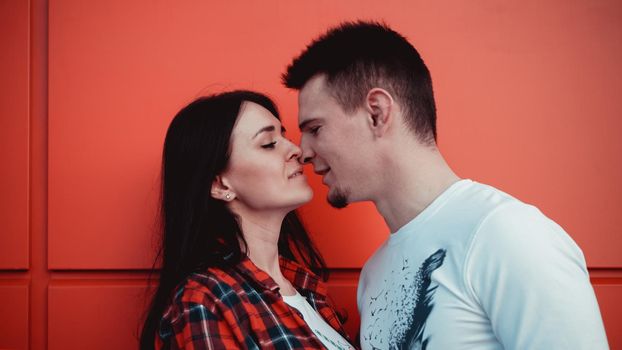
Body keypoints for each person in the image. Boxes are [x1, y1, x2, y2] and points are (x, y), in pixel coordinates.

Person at [282, 21, 609, 349]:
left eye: (315, 128)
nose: (304, 151)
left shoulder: (506, 235)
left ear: (377, 114)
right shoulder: (373, 276)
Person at [140, 91, 355, 350]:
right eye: (268, 144)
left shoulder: (308, 289)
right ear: (219, 184)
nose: (296, 149)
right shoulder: (205, 301)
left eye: (284, 136)